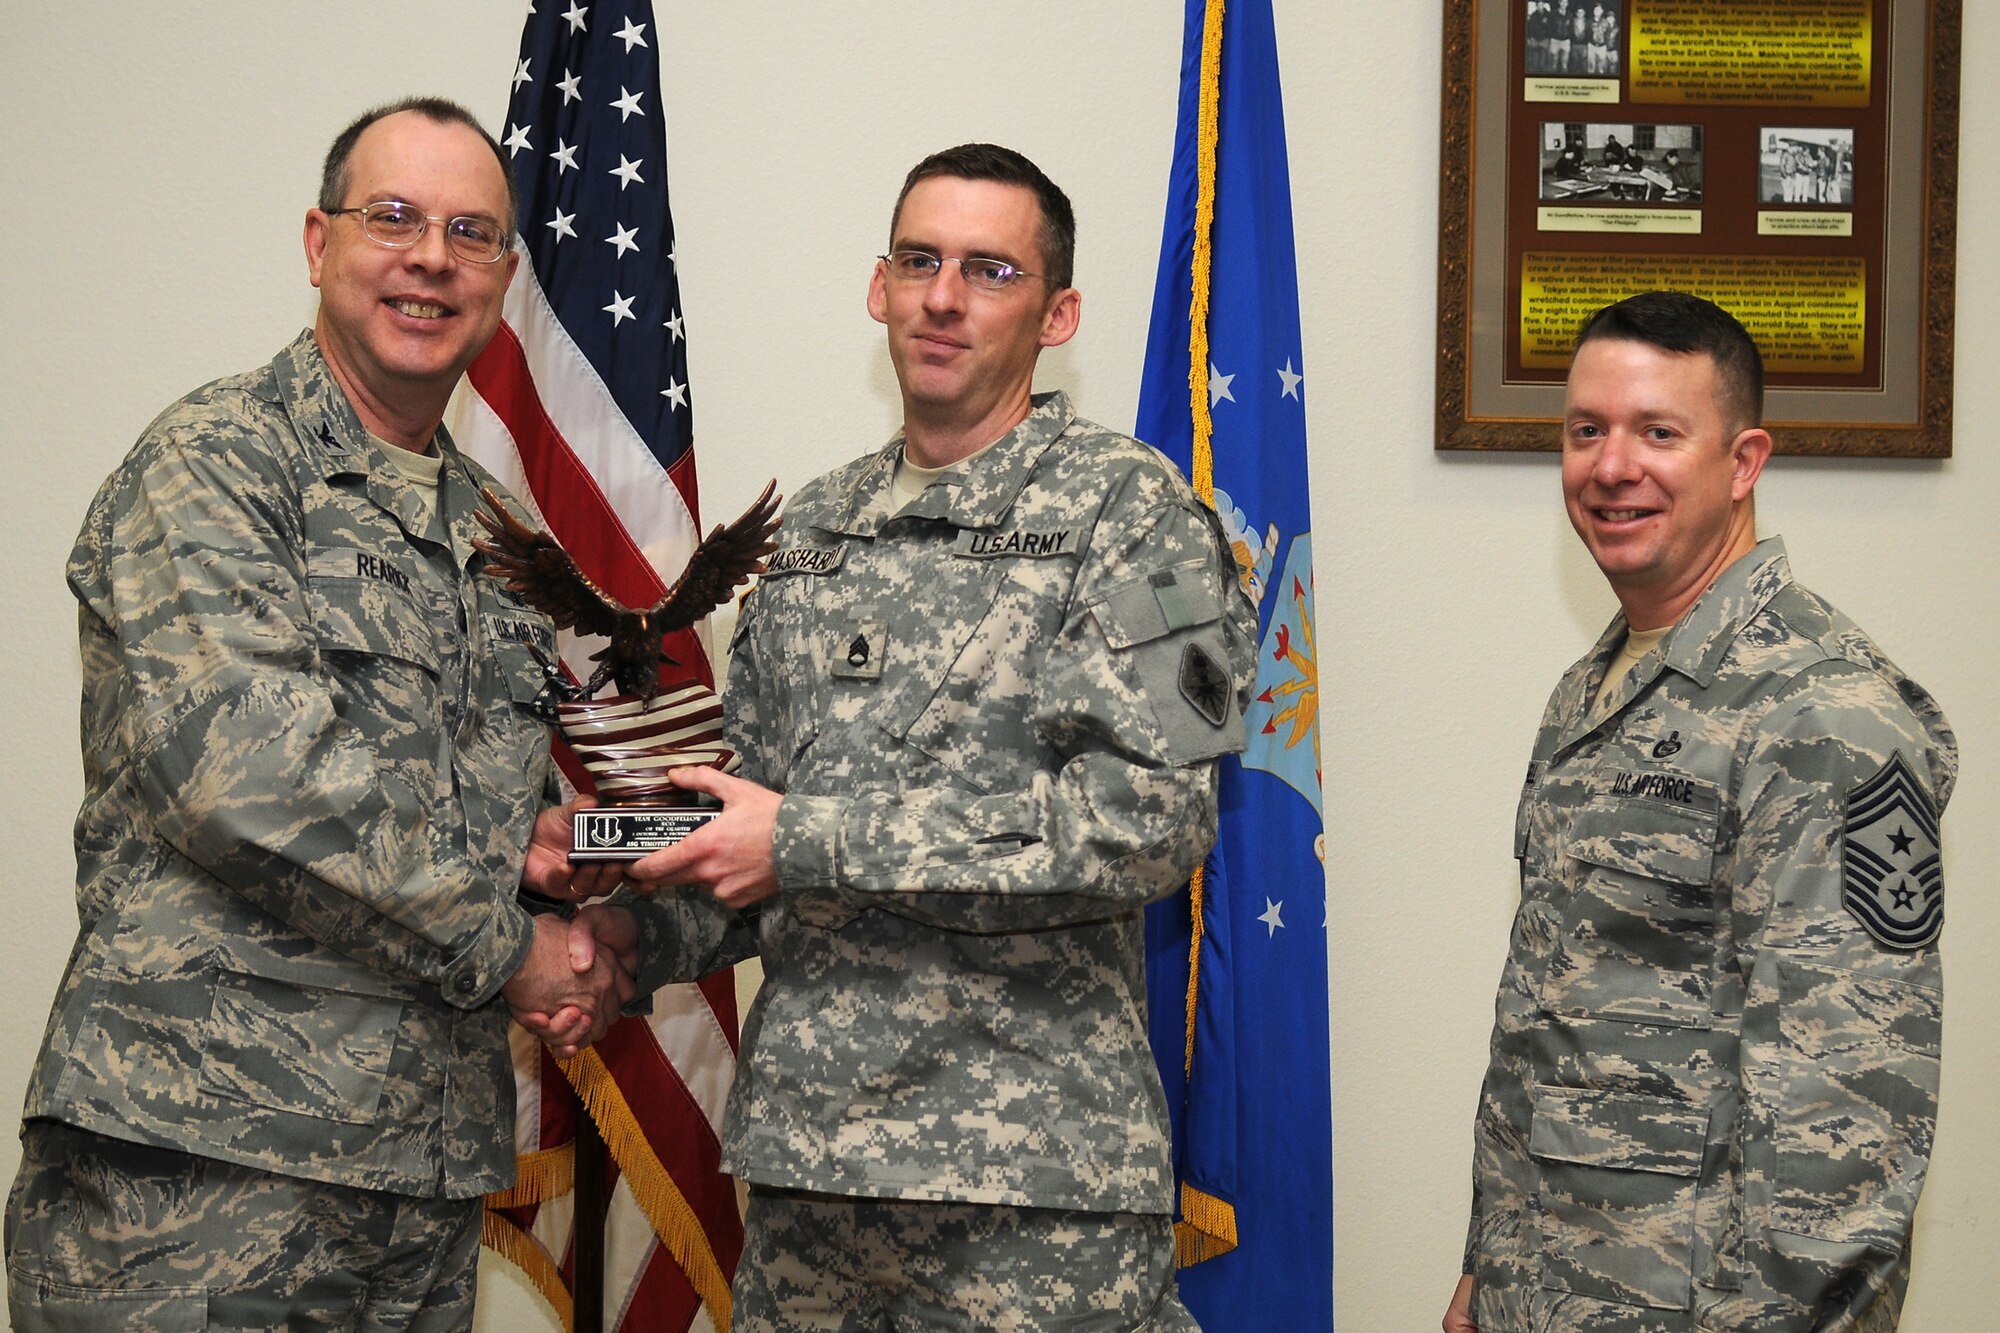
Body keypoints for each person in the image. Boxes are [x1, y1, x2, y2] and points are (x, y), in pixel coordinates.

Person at [4, 98, 651, 1330]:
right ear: (319, 242)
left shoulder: (493, 539)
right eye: (393, 218)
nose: (430, 258)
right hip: (201, 1179)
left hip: (413, 1189)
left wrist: (588, 877)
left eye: (470, 233)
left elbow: (481, 816)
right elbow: (248, 780)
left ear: (505, 278)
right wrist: (517, 951)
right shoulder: (217, 463)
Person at [594, 143, 1254, 1330]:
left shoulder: (1142, 517)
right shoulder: (809, 533)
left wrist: (812, 842)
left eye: (988, 270)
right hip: (808, 1185)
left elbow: (1156, 822)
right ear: (877, 287)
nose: (943, 296)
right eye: (919, 260)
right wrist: (606, 923)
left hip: (1033, 1193)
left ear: (1057, 314)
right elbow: (744, 834)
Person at [1444, 292, 1953, 1332]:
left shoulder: (1824, 716)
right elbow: (1550, 1025)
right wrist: (1483, 1268)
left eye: (1657, 432)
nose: (1610, 465)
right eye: (1586, 430)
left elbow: (1845, 1117)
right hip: (1543, 1289)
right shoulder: (1592, 691)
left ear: (1742, 460)